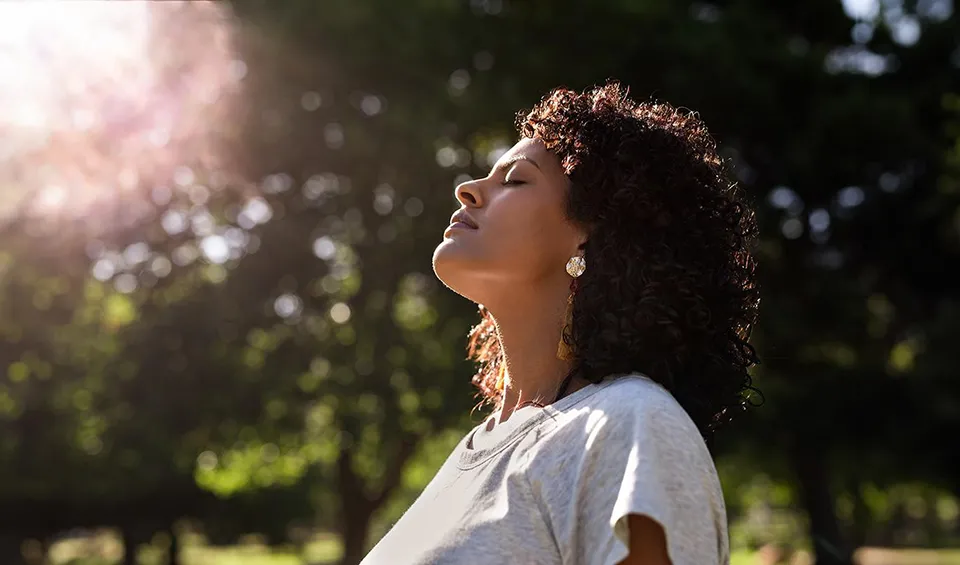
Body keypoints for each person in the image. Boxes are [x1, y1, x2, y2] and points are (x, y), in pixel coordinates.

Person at [360, 81, 760, 565]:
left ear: (592, 239)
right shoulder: (481, 447)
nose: (467, 189)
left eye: (515, 180)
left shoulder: (630, 425)